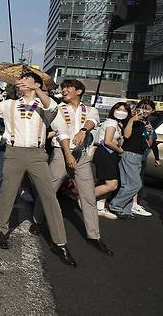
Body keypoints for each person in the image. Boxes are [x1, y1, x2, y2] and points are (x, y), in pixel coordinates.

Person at [0, 73, 76, 267]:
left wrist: (36, 90)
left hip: (37, 154)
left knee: (49, 197)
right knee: (8, 194)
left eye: (28, 79)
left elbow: (52, 109)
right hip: (13, 152)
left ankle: (59, 243)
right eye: (21, 80)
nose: (22, 82)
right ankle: (2, 230)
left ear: (37, 84)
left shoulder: (46, 105)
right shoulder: (9, 104)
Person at [33, 79, 112, 255]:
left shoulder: (90, 109)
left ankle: (94, 236)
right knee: (49, 189)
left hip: (81, 156)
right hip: (61, 153)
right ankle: (37, 220)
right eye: (62, 88)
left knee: (88, 195)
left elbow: (92, 121)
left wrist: (84, 130)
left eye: (68, 88)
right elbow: (59, 132)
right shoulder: (58, 108)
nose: (64, 90)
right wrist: (68, 154)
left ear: (79, 91)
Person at [108, 99, 155, 219]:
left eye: (147, 109)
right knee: (135, 184)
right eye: (142, 108)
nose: (144, 111)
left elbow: (149, 144)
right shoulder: (131, 120)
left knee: (128, 184)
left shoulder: (146, 124)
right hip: (129, 153)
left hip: (138, 155)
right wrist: (131, 120)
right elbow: (126, 135)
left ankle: (126, 210)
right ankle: (116, 205)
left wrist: (150, 132)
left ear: (152, 111)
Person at [94, 102, 130, 220]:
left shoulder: (118, 124)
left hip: (110, 154)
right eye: (118, 109)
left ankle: (100, 207)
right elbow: (107, 141)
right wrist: (120, 150)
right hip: (105, 153)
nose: (121, 112)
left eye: (124, 110)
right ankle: (85, 198)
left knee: (104, 182)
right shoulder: (112, 122)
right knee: (112, 185)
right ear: (113, 110)